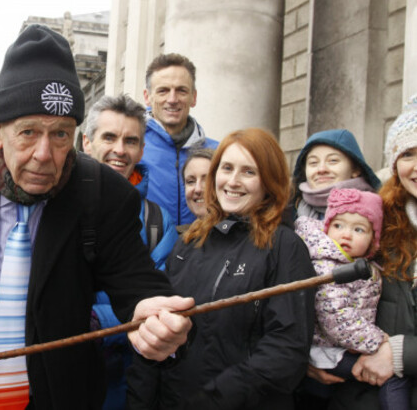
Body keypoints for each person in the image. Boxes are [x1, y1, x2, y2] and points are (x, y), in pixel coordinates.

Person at [0, 25, 193, 410]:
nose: (44, 153)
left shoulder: (102, 193)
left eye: (60, 135)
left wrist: (153, 315)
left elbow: (137, 284)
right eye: (28, 132)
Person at [128, 128, 316, 410]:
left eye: (248, 172)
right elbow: (157, 334)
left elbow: (287, 349)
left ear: (269, 180)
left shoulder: (284, 246)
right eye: (226, 168)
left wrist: (215, 398)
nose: (233, 181)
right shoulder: (188, 242)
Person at [81, 93, 179, 410]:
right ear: (86, 142)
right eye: (109, 137)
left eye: (131, 140)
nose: (120, 150)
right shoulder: (54, 208)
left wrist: (89, 319)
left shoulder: (157, 220)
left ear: (141, 149)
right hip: (66, 371)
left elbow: (157, 293)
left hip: (131, 377)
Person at [327, 96, 417, 409]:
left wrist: (402, 354)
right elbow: (332, 300)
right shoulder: (378, 228)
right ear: (395, 164)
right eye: (408, 154)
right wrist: (317, 358)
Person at [296, 188, 409, 408]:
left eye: (358, 229)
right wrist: (380, 342)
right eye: (338, 226)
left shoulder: (361, 264)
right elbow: (336, 319)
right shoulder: (328, 266)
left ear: (373, 240)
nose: (346, 234)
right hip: (328, 350)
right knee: (393, 375)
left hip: (350, 344)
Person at [139, 53, 217, 226]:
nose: (172, 99)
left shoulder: (218, 153)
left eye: (181, 90)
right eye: (163, 91)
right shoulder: (132, 150)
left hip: (204, 250)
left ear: (193, 97)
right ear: (147, 97)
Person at [292, 129, 381, 220]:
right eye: (313, 162)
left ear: (356, 169)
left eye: (333, 160)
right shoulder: (288, 213)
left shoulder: (380, 213)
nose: (321, 169)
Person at [180, 147, 215, 232]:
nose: (198, 189)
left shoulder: (244, 239)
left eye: (206, 181)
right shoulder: (181, 239)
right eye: (191, 181)